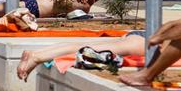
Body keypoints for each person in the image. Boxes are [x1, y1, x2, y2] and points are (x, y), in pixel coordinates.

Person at [17, 31, 147, 81]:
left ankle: (36, 54)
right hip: (143, 42)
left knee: (84, 46)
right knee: (86, 49)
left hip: (140, 36)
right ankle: (36, 57)